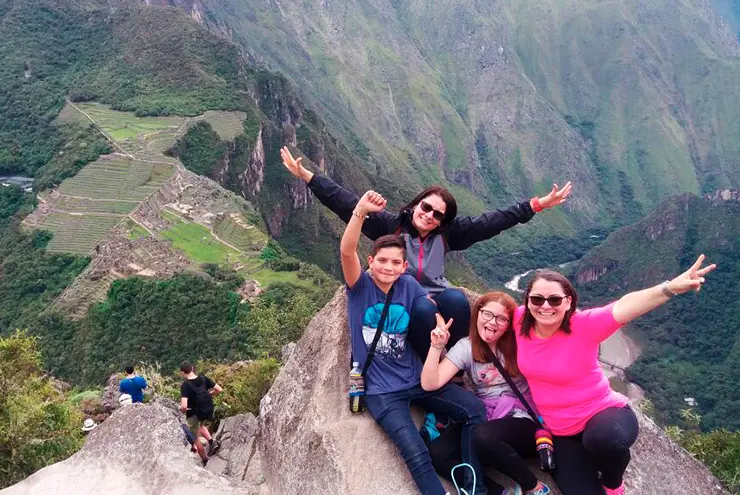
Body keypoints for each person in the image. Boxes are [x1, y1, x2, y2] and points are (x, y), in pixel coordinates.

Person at [281, 146, 571, 359]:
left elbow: (493, 221)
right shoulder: (391, 226)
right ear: (416, 204)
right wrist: (307, 176)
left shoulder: (448, 234)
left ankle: (459, 361)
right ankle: (426, 361)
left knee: (457, 300)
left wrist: (537, 204)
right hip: (401, 297)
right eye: (426, 207)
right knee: (423, 308)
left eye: (438, 214)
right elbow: (343, 202)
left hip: (436, 292)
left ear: (444, 221)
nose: (430, 215)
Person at [514, 255, 716, 495]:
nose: (545, 306)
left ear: (568, 302)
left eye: (554, 299)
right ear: (528, 300)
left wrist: (669, 287)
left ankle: (613, 482)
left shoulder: (583, 326)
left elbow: (624, 306)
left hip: (603, 415)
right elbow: (488, 315)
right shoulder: (519, 320)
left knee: (603, 439)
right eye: (537, 299)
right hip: (561, 433)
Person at [341, 189, 488, 495]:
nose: (388, 267)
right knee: (416, 454)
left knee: (474, 410)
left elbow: (431, 312)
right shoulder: (359, 288)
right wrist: (361, 210)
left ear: (403, 267)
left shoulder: (408, 285)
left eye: (395, 262)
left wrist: (439, 334)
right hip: (382, 391)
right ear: (370, 261)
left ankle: (475, 488)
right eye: (382, 261)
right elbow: (346, 250)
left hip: (417, 379)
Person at [421, 292, 551, 495]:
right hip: (488, 417)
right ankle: (497, 492)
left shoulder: (519, 343)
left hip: (521, 419)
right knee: (437, 452)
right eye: (487, 314)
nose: (492, 322)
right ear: (478, 314)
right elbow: (430, 383)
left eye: (501, 318)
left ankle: (534, 487)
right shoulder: (466, 347)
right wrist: (436, 346)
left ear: (509, 323)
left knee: (483, 436)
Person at [179, 361, 223, 464]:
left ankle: (205, 459)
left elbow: (184, 405)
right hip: (205, 410)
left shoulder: (185, 385)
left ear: (183, 373)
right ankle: (212, 442)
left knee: (194, 437)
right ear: (192, 368)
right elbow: (219, 389)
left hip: (193, 414)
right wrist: (209, 394)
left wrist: (182, 410)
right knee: (201, 425)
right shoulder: (204, 378)